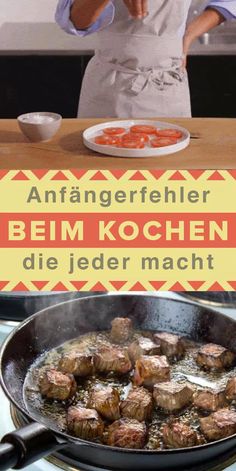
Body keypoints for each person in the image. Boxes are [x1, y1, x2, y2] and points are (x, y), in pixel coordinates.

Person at [55, 0, 236, 118]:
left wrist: (189, 34)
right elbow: (73, 21)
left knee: (168, 171)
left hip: (167, 85)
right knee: (102, 171)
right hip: (109, 87)